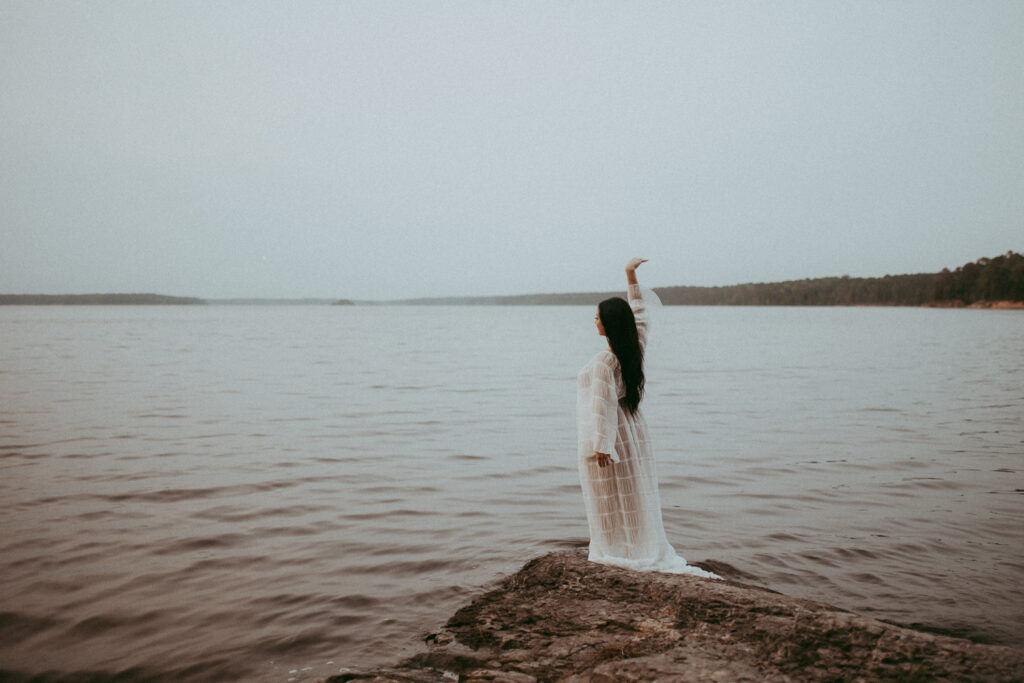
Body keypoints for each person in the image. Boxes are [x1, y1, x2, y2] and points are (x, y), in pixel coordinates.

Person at [576, 258, 718, 578]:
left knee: (610, 495)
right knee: (634, 492)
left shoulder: (603, 362)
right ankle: (636, 545)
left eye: (598, 317)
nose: (594, 321)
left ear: (608, 325)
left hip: (611, 438)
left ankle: (618, 550)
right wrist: (630, 275)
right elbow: (640, 316)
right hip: (633, 433)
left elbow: (601, 405)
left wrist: (601, 445)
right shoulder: (632, 350)